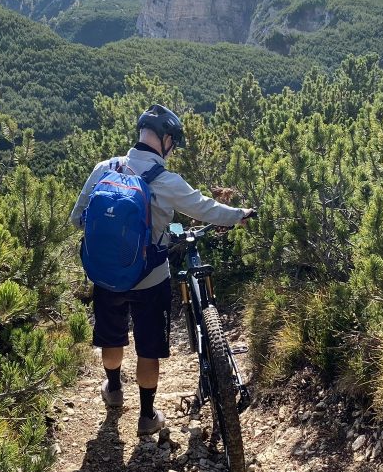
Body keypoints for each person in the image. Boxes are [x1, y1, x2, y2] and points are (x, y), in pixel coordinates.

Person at [69, 104, 255, 436]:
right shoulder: (166, 181)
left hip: (106, 276)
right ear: (166, 140)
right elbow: (206, 208)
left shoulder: (105, 168)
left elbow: (76, 217)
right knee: (148, 349)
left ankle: (112, 390)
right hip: (150, 279)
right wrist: (238, 213)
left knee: (112, 338)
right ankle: (147, 416)